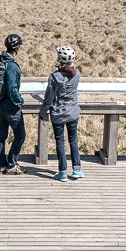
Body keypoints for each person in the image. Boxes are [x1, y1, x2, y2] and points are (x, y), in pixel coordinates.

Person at [39, 44, 83, 182]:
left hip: (58, 114)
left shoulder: (55, 77)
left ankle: (62, 172)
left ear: (59, 59)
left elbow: (49, 97)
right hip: (73, 112)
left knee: (60, 142)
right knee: (73, 140)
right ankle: (77, 169)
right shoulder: (77, 74)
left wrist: (43, 111)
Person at [0, 33, 26, 174]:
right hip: (10, 107)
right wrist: (20, 101)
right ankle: (12, 164)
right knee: (20, 135)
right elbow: (12, 89)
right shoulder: (12, 66)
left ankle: (2, 164)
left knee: (1, 135)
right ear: (17, 48)